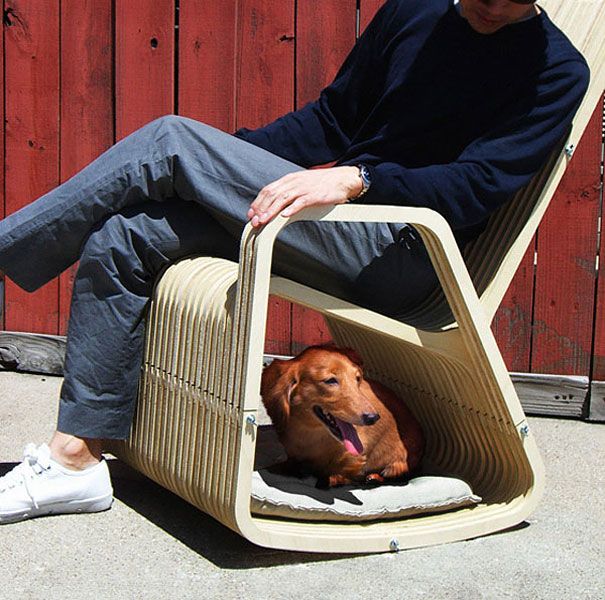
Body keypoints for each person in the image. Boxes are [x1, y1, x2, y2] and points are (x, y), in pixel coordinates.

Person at [0, 0, 589, 524]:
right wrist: (218, 164)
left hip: (406, 251)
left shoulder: (557, 71)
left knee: (170, 140)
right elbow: (331, 120)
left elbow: (476, 186)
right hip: (338, 223)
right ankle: (75, 460)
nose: (495, 6)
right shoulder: (415, 11)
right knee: (126, 235)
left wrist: (360, 178)